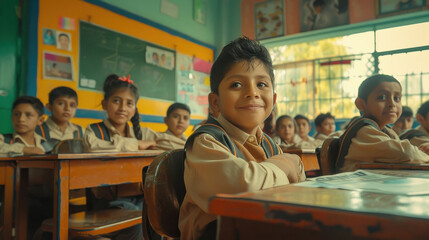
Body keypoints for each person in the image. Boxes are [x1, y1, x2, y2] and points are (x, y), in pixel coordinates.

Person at [178, 36, 306, 240]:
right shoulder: (207, 141)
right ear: (215, 102)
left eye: (262, 84)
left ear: (273, 100)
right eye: (236, 84)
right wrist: (285, 166)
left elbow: (296, 185)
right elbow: (244, 187)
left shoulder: (270, 145)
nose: (252, 93)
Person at [83, 74, 156, 240]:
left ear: (135, 109)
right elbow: (92, 147)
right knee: (139, 222)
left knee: (161, 214)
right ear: (104, 104)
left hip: (138, 198)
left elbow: (167, 143)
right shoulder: (94, 131)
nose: (123, 107)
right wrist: (136, 144)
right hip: (107, 202)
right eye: (116, 101)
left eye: (129, 103)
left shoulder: (142, 132)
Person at [337, 74, 429, 172]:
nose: (392, 104)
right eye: (382, 97)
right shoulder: (364, 131)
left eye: (397, 98)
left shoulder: (387, 131)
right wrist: (424, 154)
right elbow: (406, 153)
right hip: (354, 185)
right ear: (361, 104)